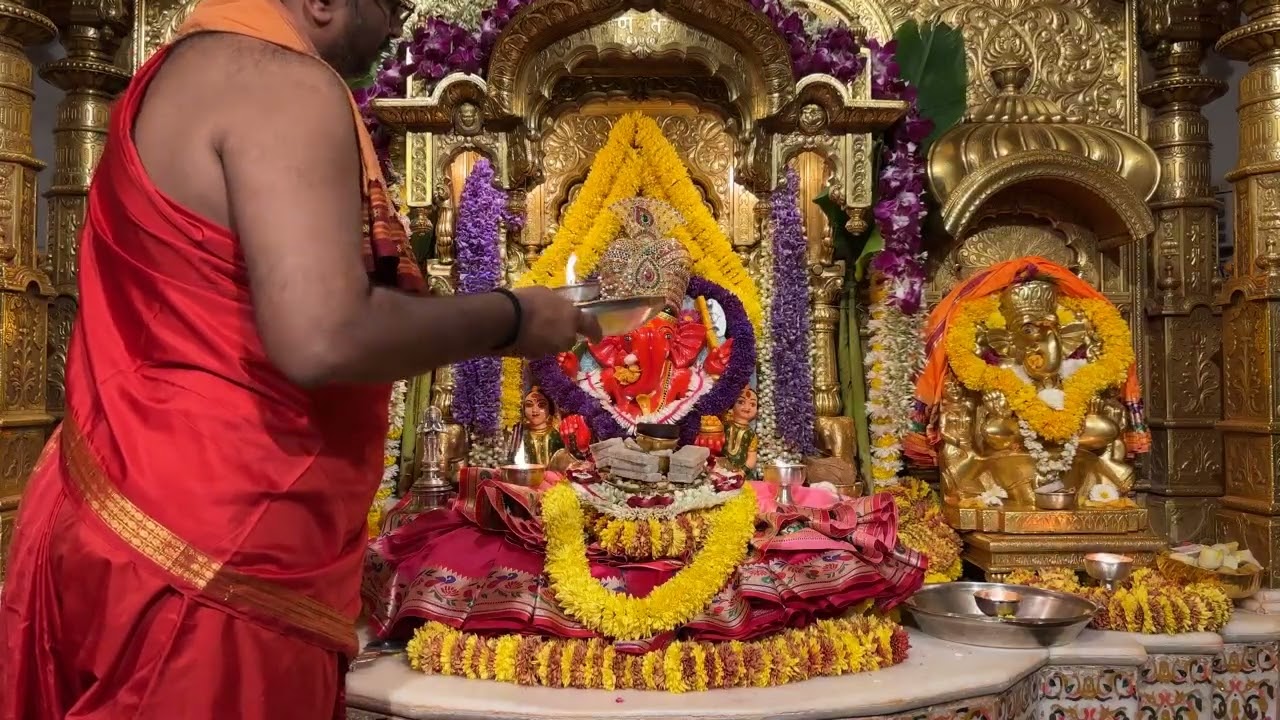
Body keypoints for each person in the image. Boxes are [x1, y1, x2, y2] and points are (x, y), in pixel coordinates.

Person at [0, 0, 601, 716]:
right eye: (391, 6)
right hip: (213, 554)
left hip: (116, 511)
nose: (396, 27)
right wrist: (517, 316)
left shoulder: (167, 79)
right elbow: (324, 335)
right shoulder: (282, 84)